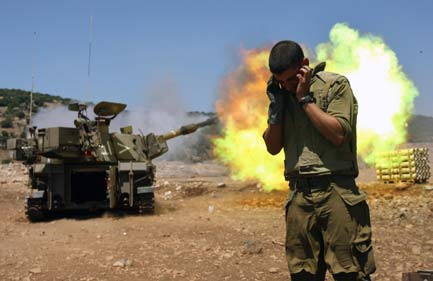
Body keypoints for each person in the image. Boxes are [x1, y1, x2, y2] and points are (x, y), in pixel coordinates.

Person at [262, 40, 376, 281]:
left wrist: (304, 100)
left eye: (291, 79)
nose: (286, 86)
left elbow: (337, 134)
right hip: (299, 196)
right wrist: (276, 110)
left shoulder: (335, 85)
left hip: (336, 191)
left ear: (305, 66)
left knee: (350, 271)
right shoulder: (282, 95)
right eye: (280, 81)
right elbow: (273, 147)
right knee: (303, 273)